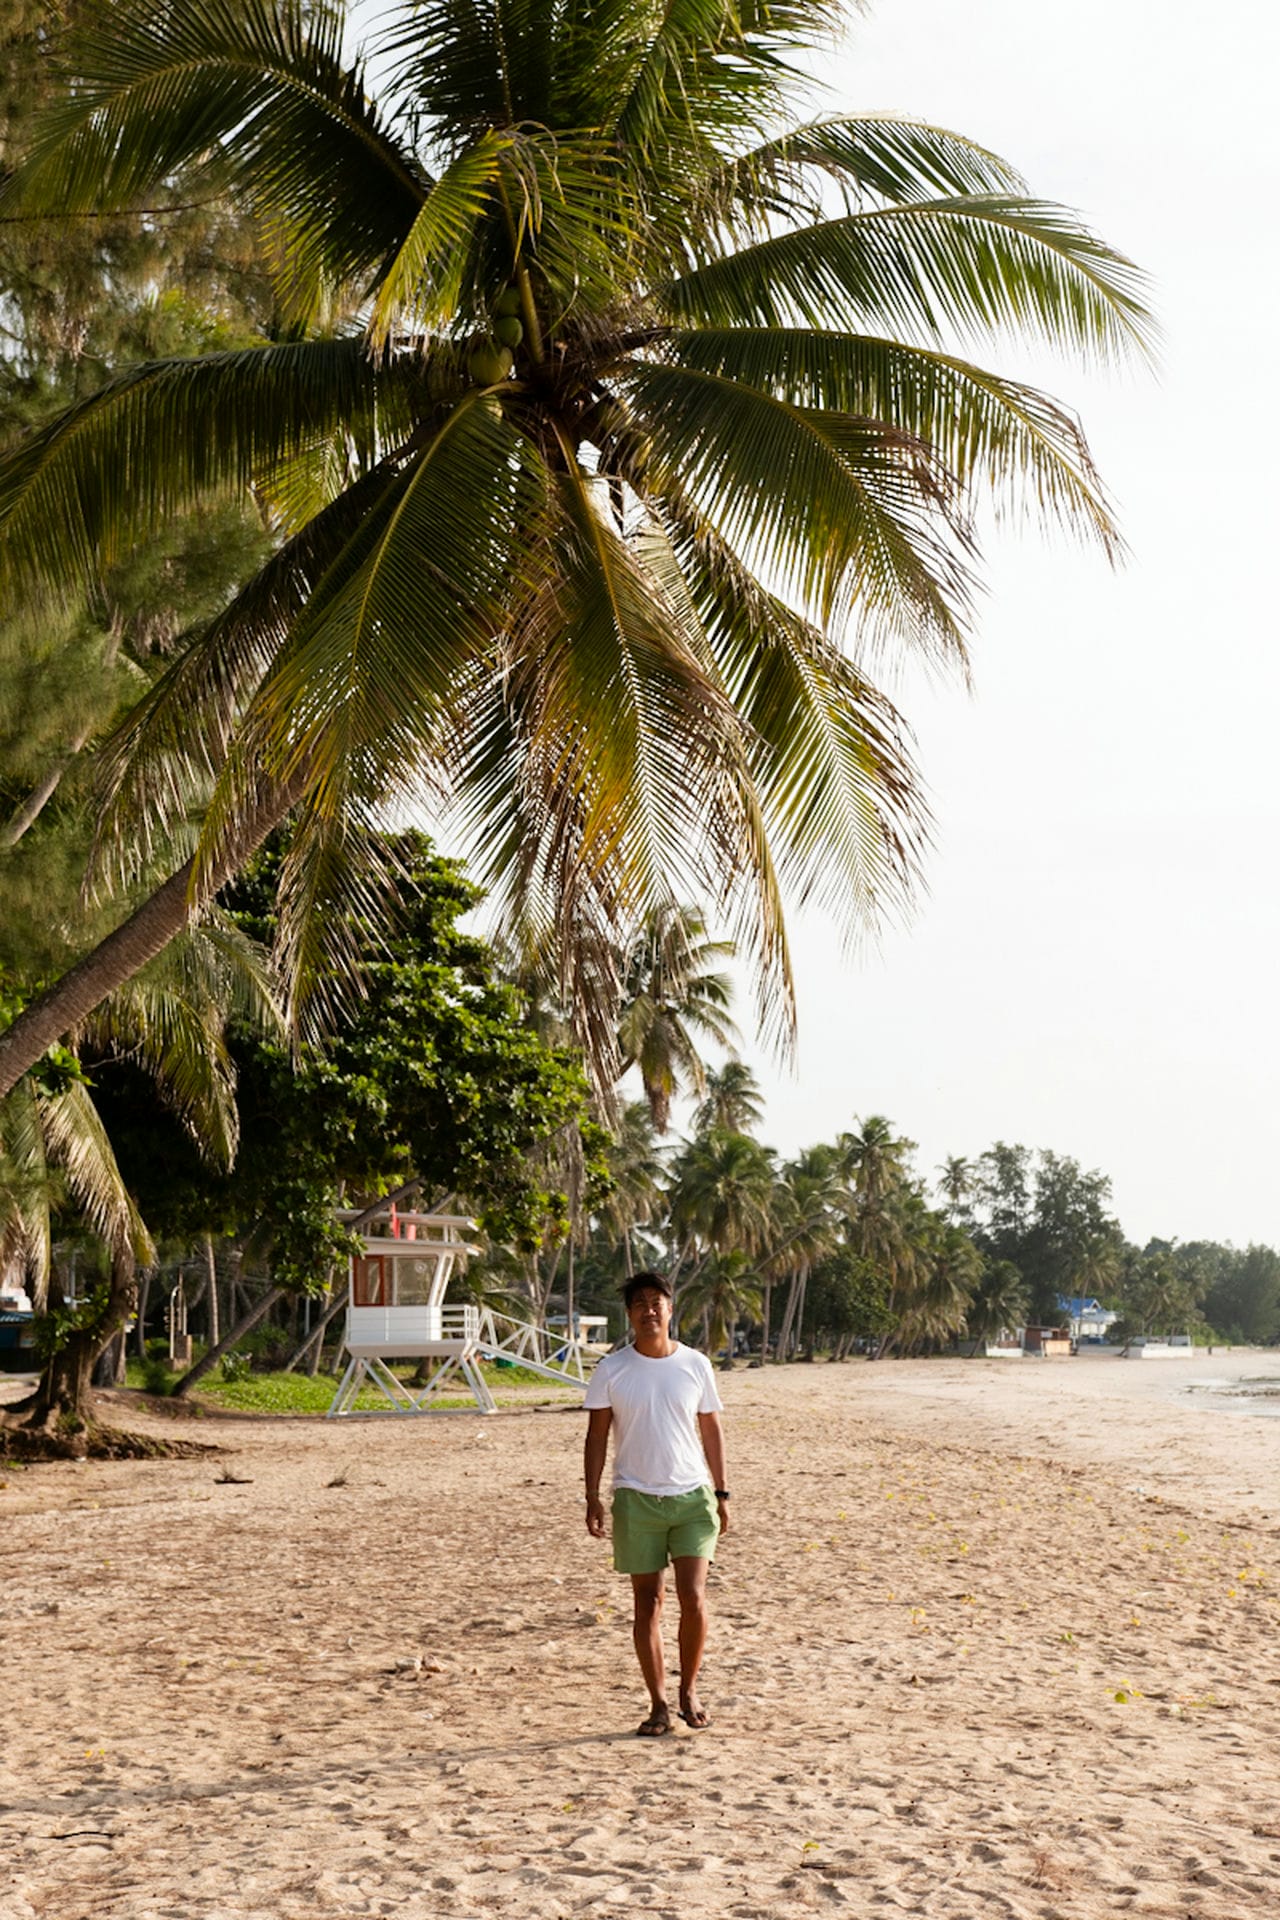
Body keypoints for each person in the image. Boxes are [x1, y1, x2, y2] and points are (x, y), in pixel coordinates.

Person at [583, 1270, 730, 1736]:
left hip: (692, 1498)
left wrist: (722, 1492)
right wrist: (592, 1495)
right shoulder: (613, 1369)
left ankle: (689, 1688)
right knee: (648, 1604)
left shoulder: (695, 1365)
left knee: (693, 1596)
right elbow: (597, 1435)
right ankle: (659, 1703)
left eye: (657, 1301)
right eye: (640, 1303)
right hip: (635, 1499)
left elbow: (710, 1429)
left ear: (670, 1309)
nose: (649, 1309)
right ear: (629, 1315)